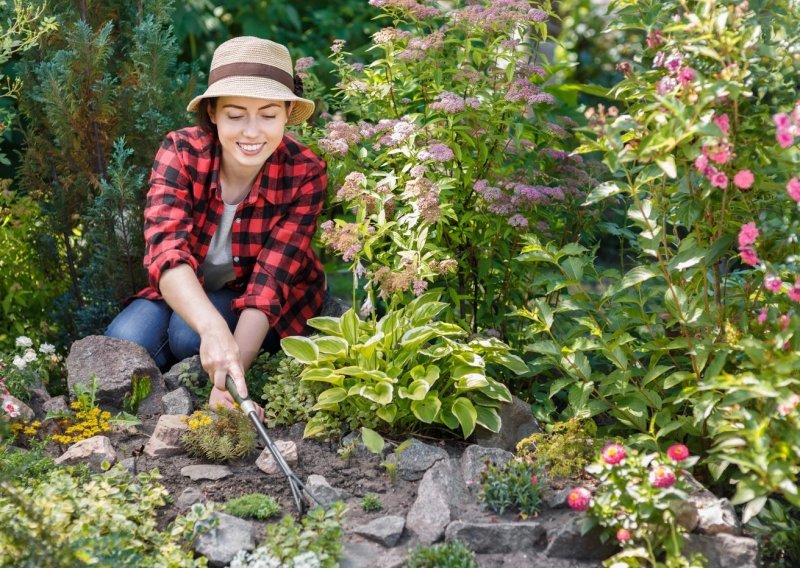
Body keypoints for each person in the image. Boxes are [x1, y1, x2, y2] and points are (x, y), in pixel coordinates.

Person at [106, 37, 327, 419]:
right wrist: (212, 329)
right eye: (236, 114)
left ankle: (199, 376)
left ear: (288, 112)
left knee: (186, 336)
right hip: (188, 286)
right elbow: (166, 252)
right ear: (213, 112)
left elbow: (269, 285)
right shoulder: (181, 152)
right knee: (124, 344)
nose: (252, 131)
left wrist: (230, 382)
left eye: (269, 115)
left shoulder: (305, 172)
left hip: (254, 299)